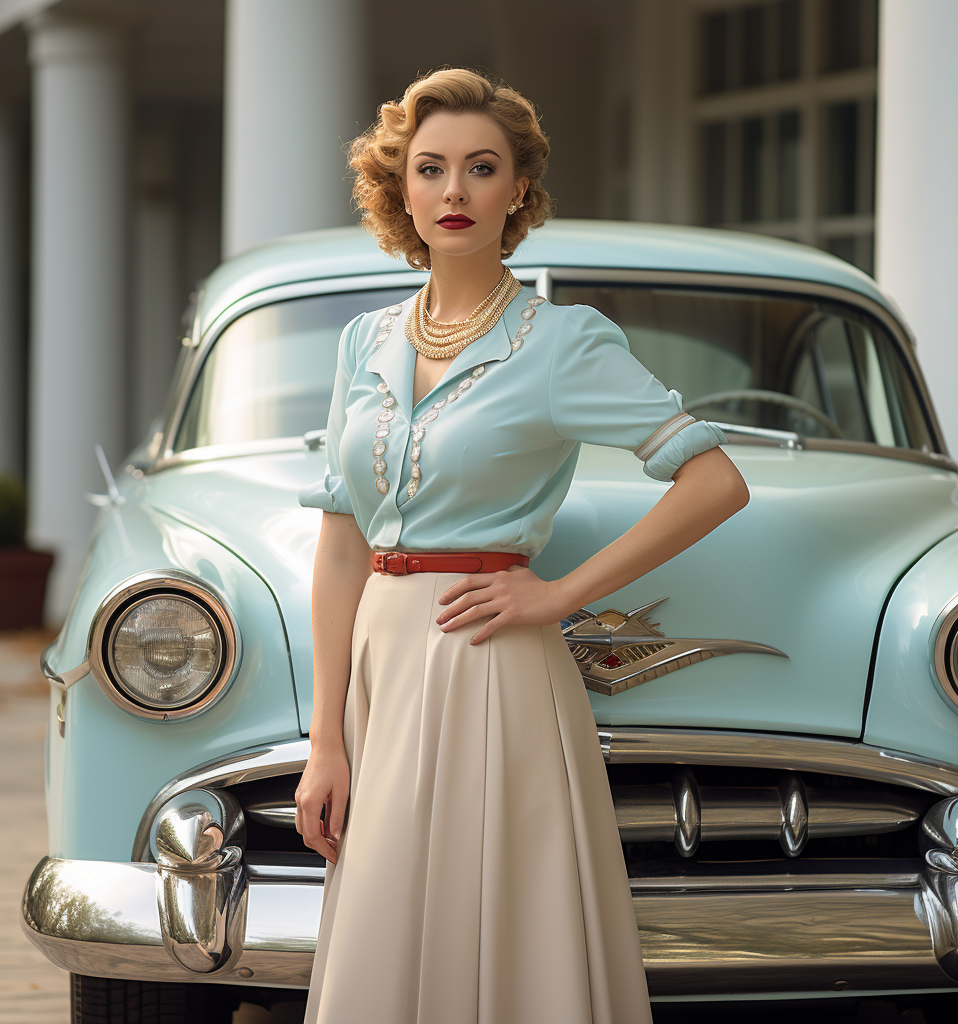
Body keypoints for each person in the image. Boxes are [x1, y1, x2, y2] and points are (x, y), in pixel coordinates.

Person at [294, 67, 749, 1024]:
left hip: (489, 660)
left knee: (498, 924)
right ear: (400, 190)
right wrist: (324, 738)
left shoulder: (563, 342)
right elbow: (340, 550)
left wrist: (557, 594)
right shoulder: (361, 342)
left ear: (518, 191)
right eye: (430, 169)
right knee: (386, 922)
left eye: (480, 168)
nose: (453, 191)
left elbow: (716, 482)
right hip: (381, 659)